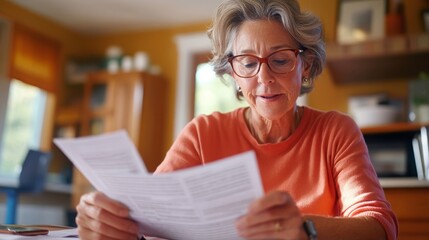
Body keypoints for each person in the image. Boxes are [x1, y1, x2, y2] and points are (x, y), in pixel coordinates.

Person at [75, 0, 398, 239]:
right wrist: (106, 222)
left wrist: (305, 228)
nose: (265, 78)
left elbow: (380, 227)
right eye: (247, 63)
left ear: (307, 65)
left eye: (281, 59)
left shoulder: (335, 131)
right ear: (233, 73)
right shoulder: (203, 133)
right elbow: (152, 219)